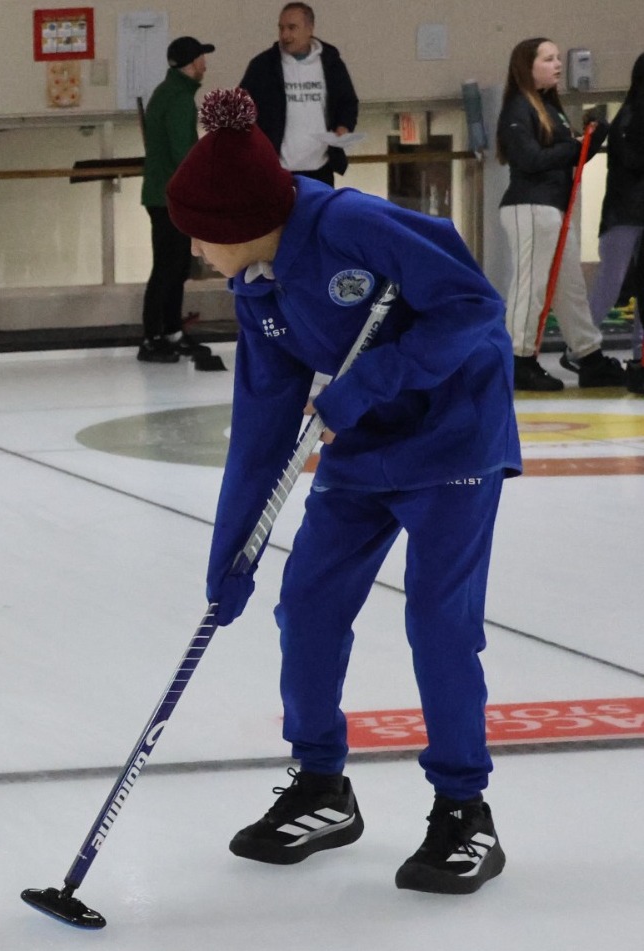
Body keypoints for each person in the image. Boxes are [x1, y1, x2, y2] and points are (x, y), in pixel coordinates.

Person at [166, 88, 520, 896]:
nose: (199, 255)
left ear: (238, 221)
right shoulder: (258, 288)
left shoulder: (352, 226)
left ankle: (464, 808)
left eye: (201, 240)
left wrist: (369, 384)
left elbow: (473, 307)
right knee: (310, 603)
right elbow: (260, 429)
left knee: (438, 618)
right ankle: (322, 784)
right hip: (364, 450)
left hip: (454, 438)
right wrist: (231, 558)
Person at [497, 38, 626, 391]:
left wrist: (594, 138)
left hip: (553, 207)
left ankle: (589, 356)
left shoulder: (548, 108)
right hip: (530, 206)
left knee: (569, 288)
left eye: (557, 59)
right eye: (549, 59)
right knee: (531, 286)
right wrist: (573, 147)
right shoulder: (518, 108)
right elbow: (531, 159)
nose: (558, 64)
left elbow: (571, 157)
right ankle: (518, 360)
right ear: (529, 66)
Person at [139, 35, 227, 371]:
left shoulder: (170, 93)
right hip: (168, 197)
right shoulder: (178, 99)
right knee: (167, 267)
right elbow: (183, 153)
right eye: (203, 57)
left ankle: (172, 332)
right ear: (193, 63)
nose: (206, 63)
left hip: (163, 194)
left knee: (174, 266)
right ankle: (152, 337)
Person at [238, 3, 358, 188]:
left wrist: (343, 126)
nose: (285, 35)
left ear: (310, 29)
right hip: (276, 171)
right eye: (281, 28)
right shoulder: (263, 66)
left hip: (320, 169)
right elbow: (239, 110)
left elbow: (347, 102)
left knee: (316, 216)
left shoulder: (331, 63)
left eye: (292, 28)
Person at [587, 52, 644, 393]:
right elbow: (634, 163)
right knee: (611, 283)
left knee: (635, 286)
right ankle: (579, 348)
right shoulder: (631, 117)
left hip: (629, 214)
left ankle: (640, 355)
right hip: (625, 216)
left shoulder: (629, 114)